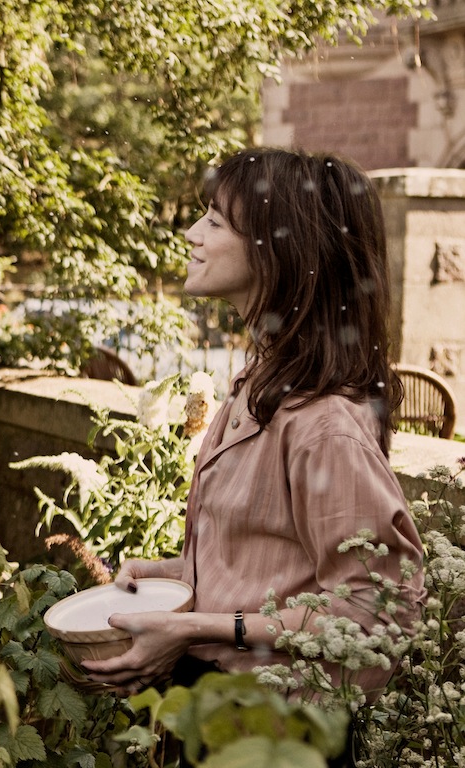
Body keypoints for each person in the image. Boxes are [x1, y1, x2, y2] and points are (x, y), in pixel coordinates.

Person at [80, 148, 426, 702]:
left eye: (215, 222)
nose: (192, 234)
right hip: (223, 710)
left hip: (276, 730)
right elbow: (281, 571)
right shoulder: (258, 384)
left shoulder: (321, 425)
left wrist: (193, 628)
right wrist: (177, 576)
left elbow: (379, 613)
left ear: (278, 253)